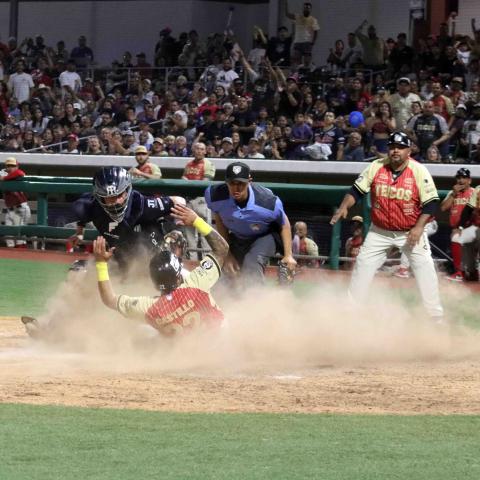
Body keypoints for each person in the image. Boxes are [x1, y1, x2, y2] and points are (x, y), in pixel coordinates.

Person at [330, 132, 444, 321]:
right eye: (392, 147)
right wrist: (344, 206)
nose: (395, 150)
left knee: (425, 269)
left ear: (409, 151)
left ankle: (435, 317)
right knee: (363, 266)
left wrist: (418, 228)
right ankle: (351, 314)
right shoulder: (376, 166)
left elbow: (431, 203)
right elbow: (356, 191)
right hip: (380, 231)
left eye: (400, 147)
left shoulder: (419, 170)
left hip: (410, 231)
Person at [92, 203, 228, 337]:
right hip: (220, 343)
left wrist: (101, 264)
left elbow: (109, 299)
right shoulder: (196, 282)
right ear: (177, 274)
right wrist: (197, 221)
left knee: (144, 332)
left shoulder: (149, 307)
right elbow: (222, 249)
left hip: (184, 353)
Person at [70, 166, 184, 273]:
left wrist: (179, 218)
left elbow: (179, 200)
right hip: (120, 261)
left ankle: (176, 273)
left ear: (127, 190)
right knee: (78, 270)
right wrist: (79, 233)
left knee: (176, 237)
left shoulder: (141, 204)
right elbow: (83, 214)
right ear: (99, 196)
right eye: (109, 198)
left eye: (120, 195)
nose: (116, 202)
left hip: (154, 261)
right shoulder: (89, 206)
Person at [205, 161, 296, 285]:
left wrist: (288, 255)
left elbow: (284, 223)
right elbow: (219, 218)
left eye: (241, 183)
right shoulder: (214, 195)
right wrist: (227, 254)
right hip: (238, 236)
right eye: (232, 183)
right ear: (226, 181)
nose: (236, 188)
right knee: (225, 270)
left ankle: (256, 302)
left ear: (249, 181)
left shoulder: (267, 202)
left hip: (265, 235)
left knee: (251, 264)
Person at [440, 168, 475, 282]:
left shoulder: (474, 192)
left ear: (469, 180)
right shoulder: (452, 193)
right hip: (456, 229)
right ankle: (459, 272)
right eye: (459, 177)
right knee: (458, 241)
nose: (461, 180)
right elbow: (443, 208)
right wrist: (453, 194)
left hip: (471, 228)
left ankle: (468, 272)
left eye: (464, 177)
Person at [181, 142, 215, 258]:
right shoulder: (189, 164)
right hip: (189, 200)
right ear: (193, 151)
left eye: (202, 149)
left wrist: (187, 181)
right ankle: (192, 259)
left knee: (205, 233)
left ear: (205, 151)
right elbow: (183, 178)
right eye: (197, 149)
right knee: (190, 234)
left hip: (201, 200)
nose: (199, 151)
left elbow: (205, 181)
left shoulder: (208, 163)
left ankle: (207, 259)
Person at [0, 157, 31, 248]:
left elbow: (20, 173)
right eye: (8, 165)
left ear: (17, 166)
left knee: (19, 235)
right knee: (8, 233)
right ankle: (11, 256)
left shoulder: (18, 174)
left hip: (20, 207)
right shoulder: (4, 173)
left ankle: (22, 255)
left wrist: (4, 178)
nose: (10, 167)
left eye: (13, 166)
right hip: (10, 209)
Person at [285, 1, 319, 66]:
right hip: (298, 42)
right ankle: (297, 74)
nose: (306, 9)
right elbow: (287, 14)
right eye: (305, 8)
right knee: (296, 60)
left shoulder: (313, 20)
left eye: (308, 8)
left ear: (310, 9)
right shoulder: (298, 17)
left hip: (307, 42)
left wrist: (312, 43)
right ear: (303, 9)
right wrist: (286, 4)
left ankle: (306, 73)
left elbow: (316, 31)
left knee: (307, 61)